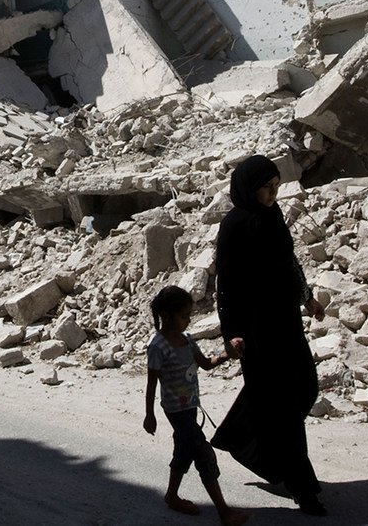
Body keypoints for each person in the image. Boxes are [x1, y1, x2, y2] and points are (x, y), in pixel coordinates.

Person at [210, 155, 328, 516]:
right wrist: (231, 333)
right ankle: (302, 486)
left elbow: (290, 261)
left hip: (286, 322)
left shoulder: (273, 216)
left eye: (277, 187)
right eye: (267, 188)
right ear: (249, 188)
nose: (273, 195)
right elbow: (226, 285)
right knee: (282, 409)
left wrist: (306, 297)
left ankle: (244, 439)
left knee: (305, 388)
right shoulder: (234, 226)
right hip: (256, 331)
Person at [144, 285, 249, 525]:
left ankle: (171, 496)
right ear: (168, 316)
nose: (188, 320)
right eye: (184, 316)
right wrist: (149, 415)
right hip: (175, 411)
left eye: (189, 315)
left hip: (190, 407)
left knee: (183, 451)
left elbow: (205, 363)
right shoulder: (158, 346)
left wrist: (226, 354)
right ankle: (224, 512)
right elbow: (151, 384)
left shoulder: (187, 340)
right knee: (203, 455)